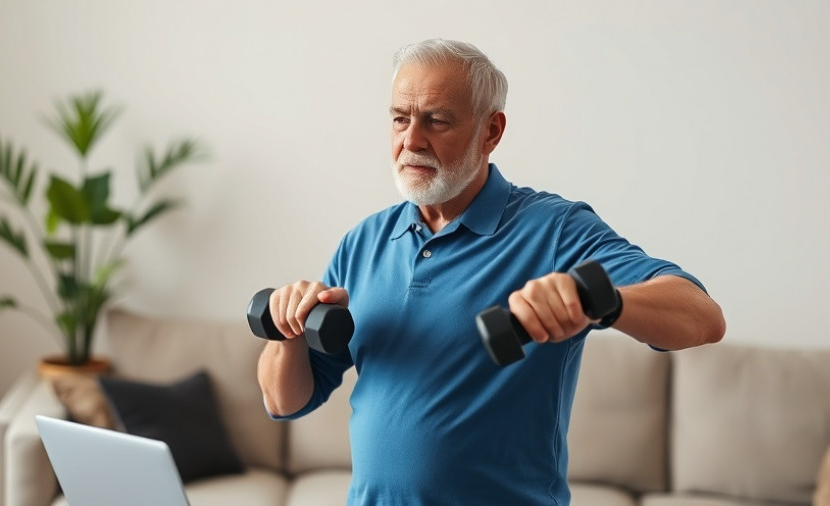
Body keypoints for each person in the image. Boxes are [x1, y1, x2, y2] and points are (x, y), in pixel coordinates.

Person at [258, 39, 725, 505]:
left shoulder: (554, 230)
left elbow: (702, 317)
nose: (411, 140)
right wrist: (287, 329)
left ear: (491, 132)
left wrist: (592, 298)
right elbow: (286, 401)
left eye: (437, 120)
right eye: (401, 118)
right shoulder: (364, 241)